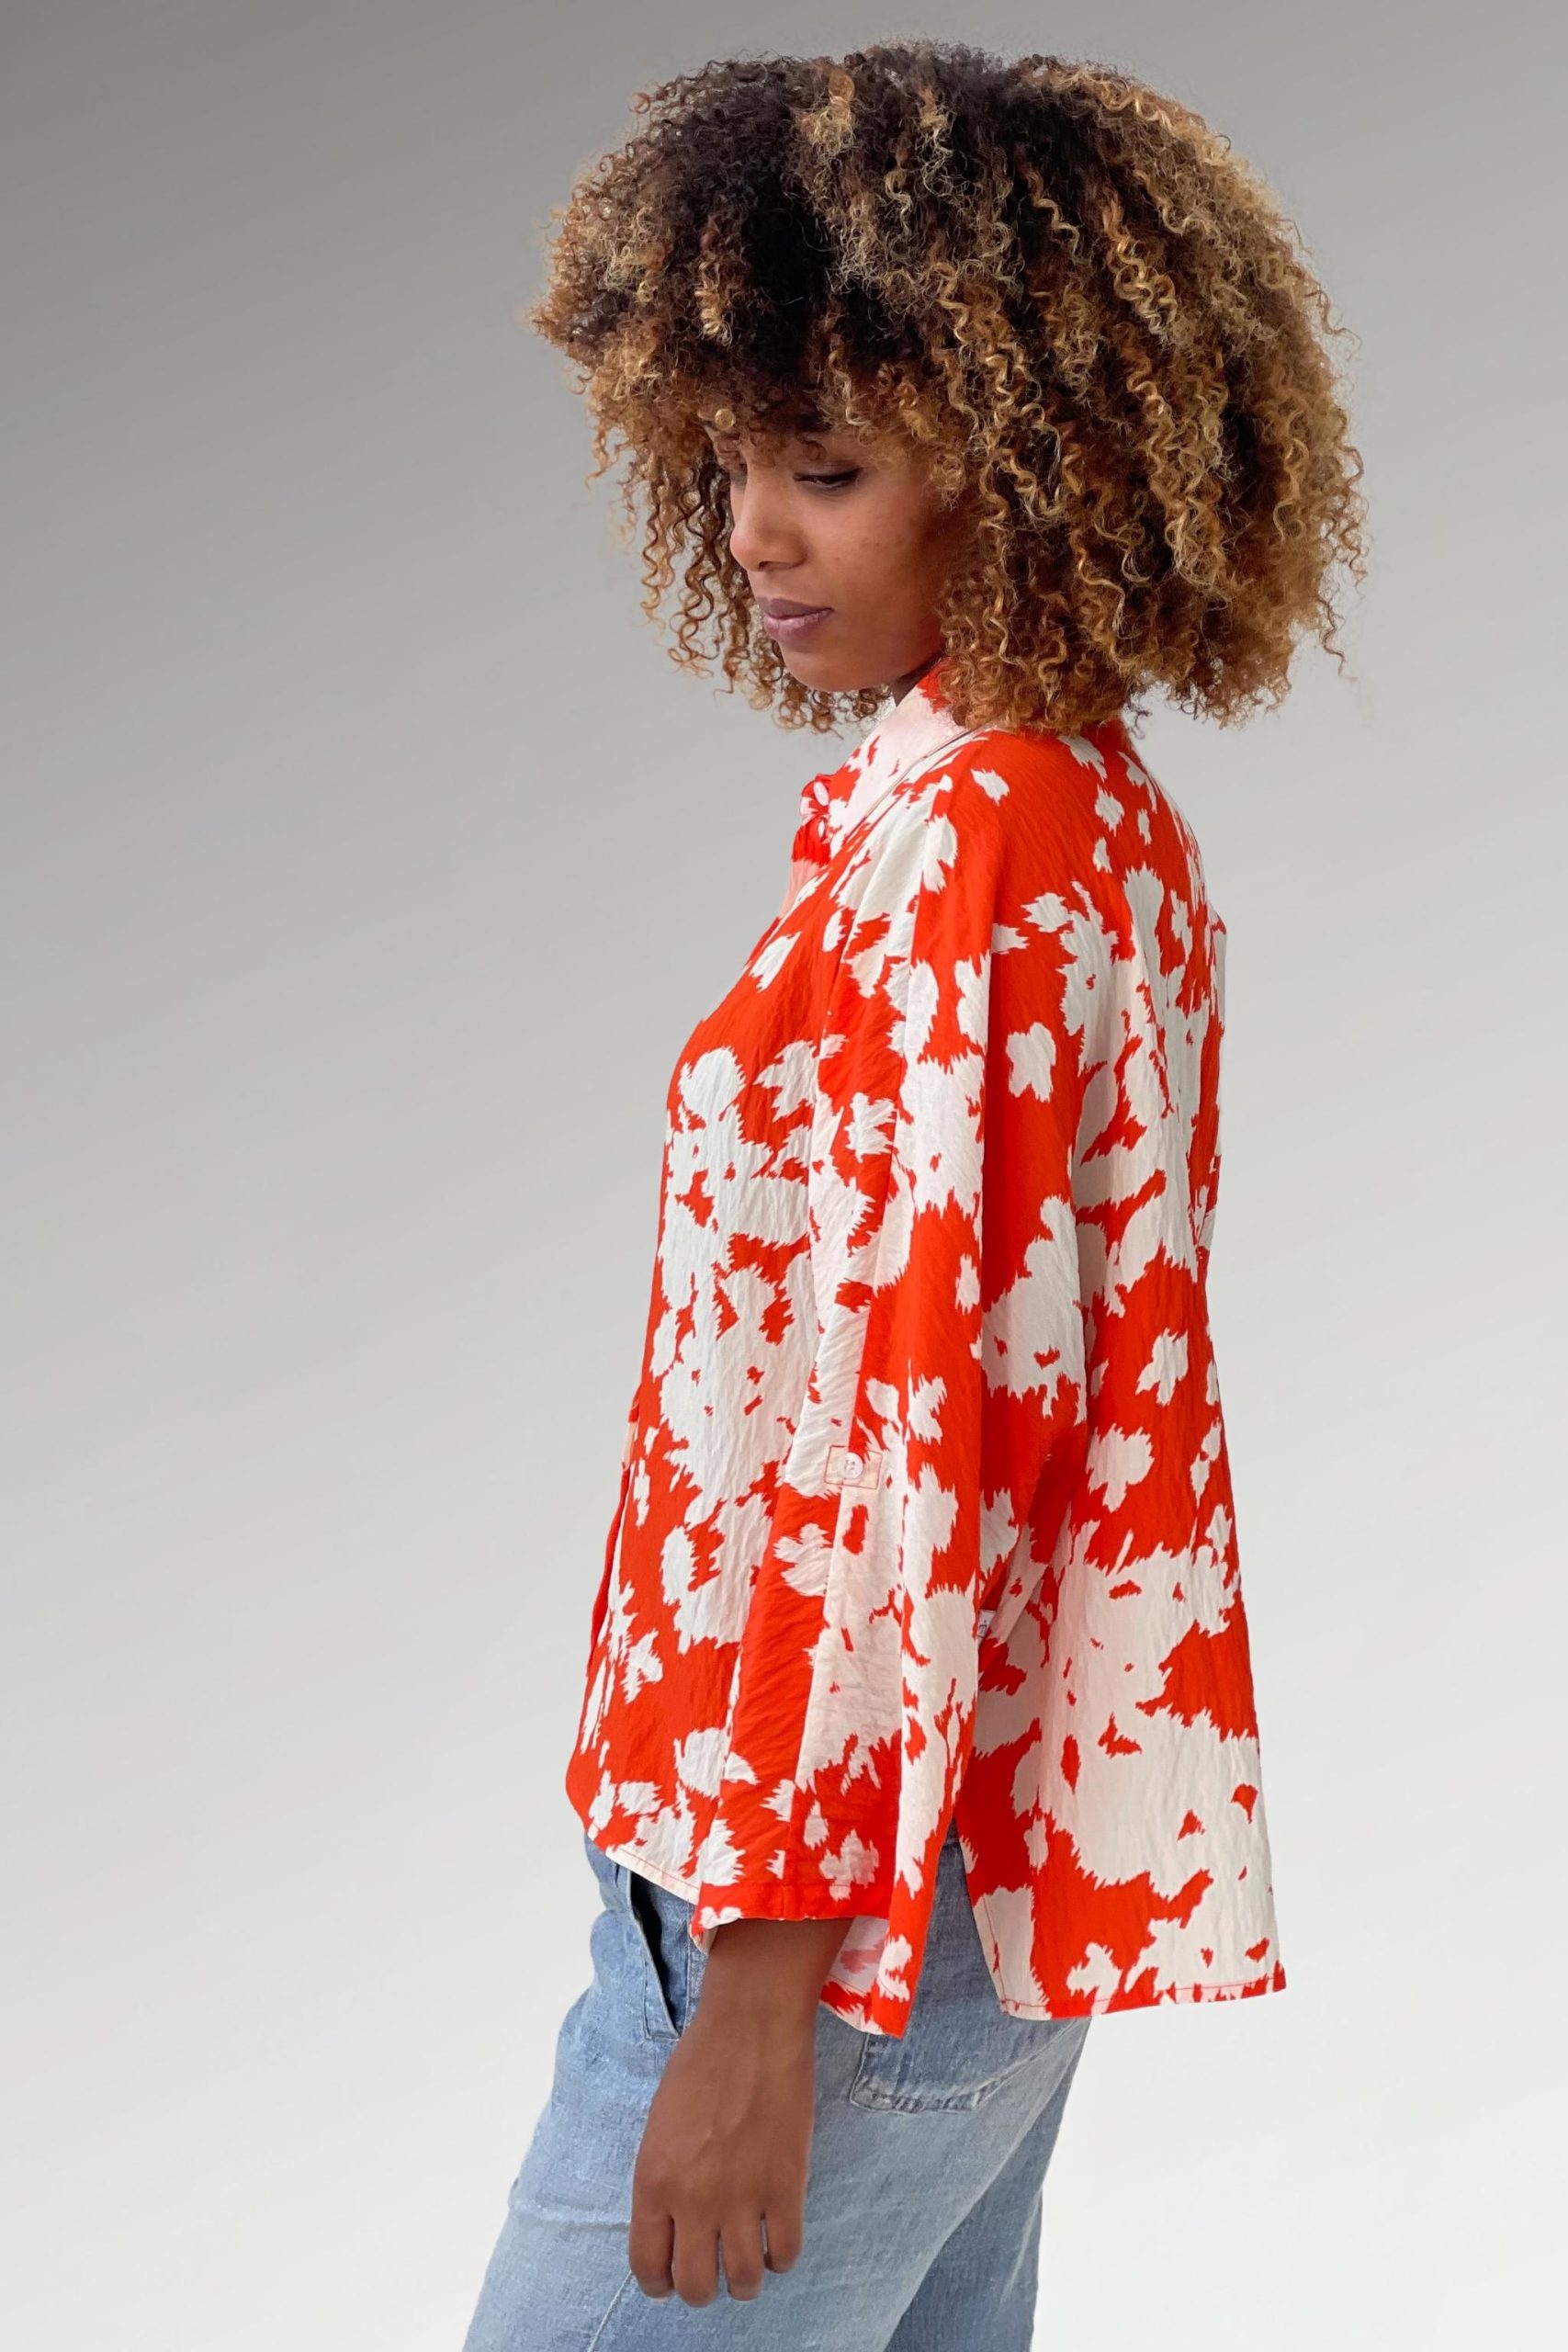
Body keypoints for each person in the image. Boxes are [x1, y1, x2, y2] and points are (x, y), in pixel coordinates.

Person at [461, 39, 1363, 2346]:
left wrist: (755, 1990)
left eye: (830, 467)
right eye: (729, 460)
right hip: (946, 1871)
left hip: (827, 1912)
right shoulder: (1070, 811)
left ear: (1034, 471)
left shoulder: (978, 851)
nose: (752, 533)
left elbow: (903, 1444)